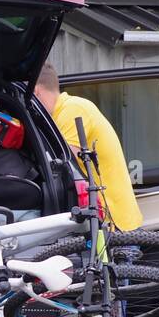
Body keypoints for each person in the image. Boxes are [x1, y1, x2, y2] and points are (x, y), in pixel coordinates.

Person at [33, 63, 142, 231]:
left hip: (114, 223)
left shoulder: (72, 110)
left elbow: (64, 166)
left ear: (36, 92)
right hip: (107, 219)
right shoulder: (66, 109)